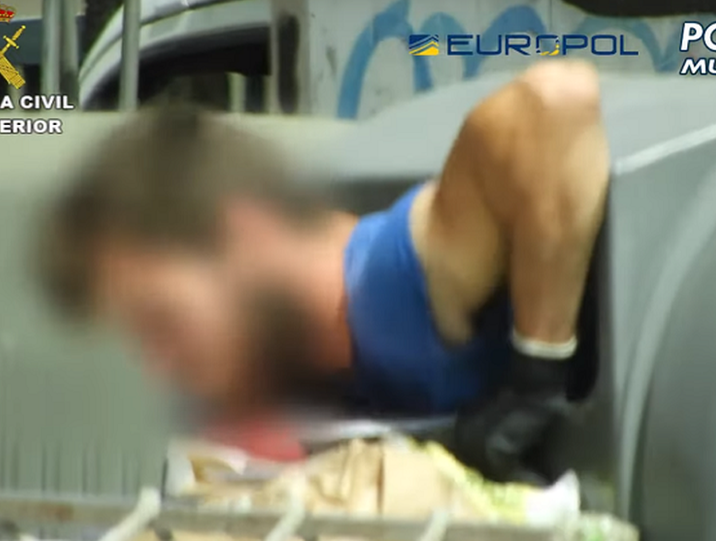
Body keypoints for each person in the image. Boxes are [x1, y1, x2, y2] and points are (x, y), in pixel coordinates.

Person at [37, 60, 610, 482]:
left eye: (160, 320)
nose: (158, 365)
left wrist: (536, 374)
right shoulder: (262, 387)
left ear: (243, 232)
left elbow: (554, 102)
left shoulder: (390, 283)